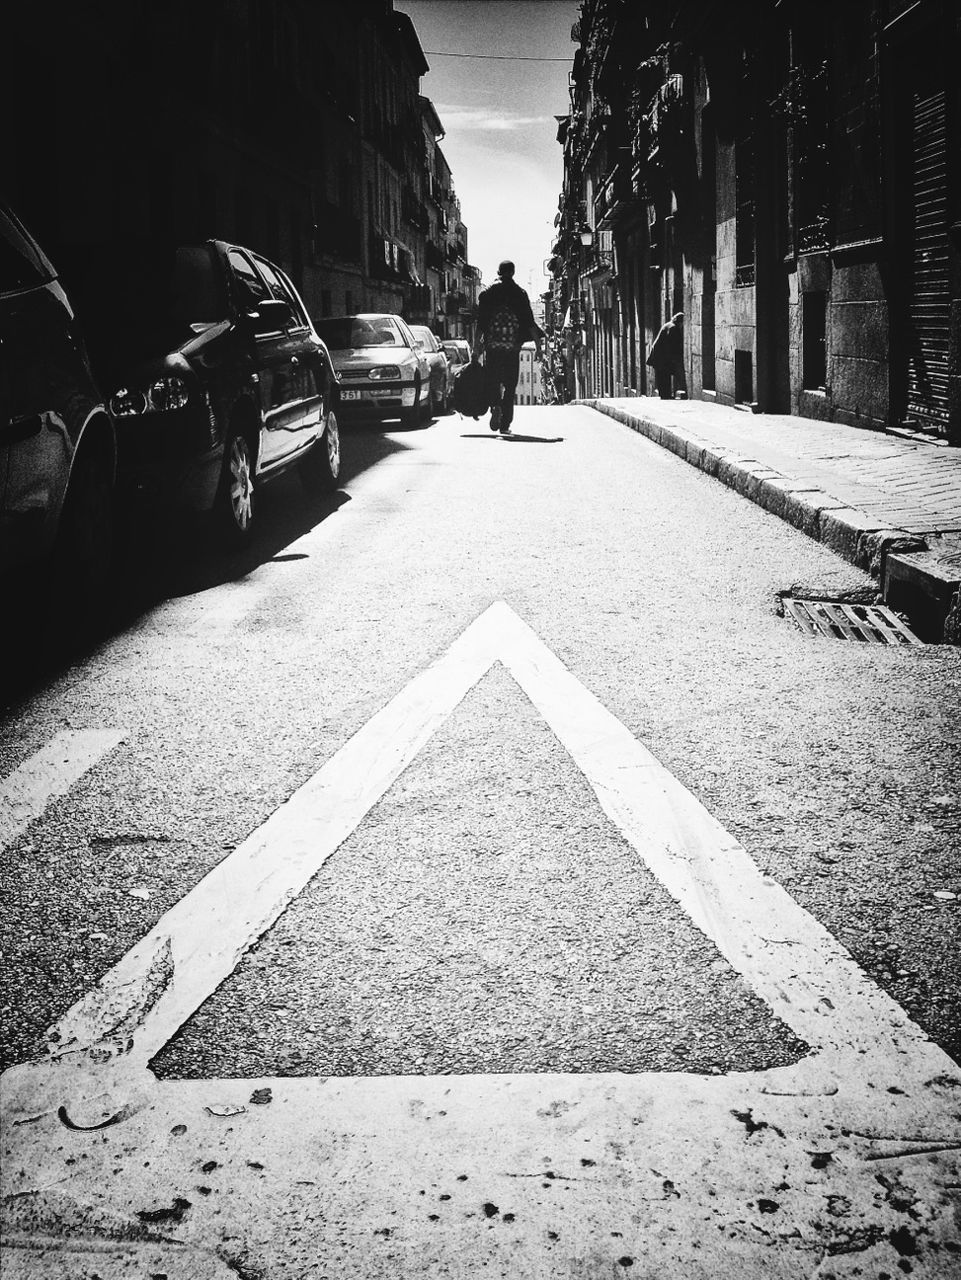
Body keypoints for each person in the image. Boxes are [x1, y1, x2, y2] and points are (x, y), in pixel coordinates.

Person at [475, 260, 544, 434]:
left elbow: (481, 322)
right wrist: (538, 346)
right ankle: (505, 423)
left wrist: (477, 345)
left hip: (493, 346)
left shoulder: (489, 293)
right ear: (513, 273)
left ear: (498, 272)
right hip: (513, 347)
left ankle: (495, 405)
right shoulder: (519, 293)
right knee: (510, 384)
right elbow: (529, 322)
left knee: (493, 380)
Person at [646, 312, 684, 399]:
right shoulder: (673, 328)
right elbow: (671, 344)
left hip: (659, 354)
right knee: (664, 374)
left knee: (662, 374)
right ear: (680, 322)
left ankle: (664, 394)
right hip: (662, 355)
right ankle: (665, 395)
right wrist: (673, 358)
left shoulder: (669, 325)